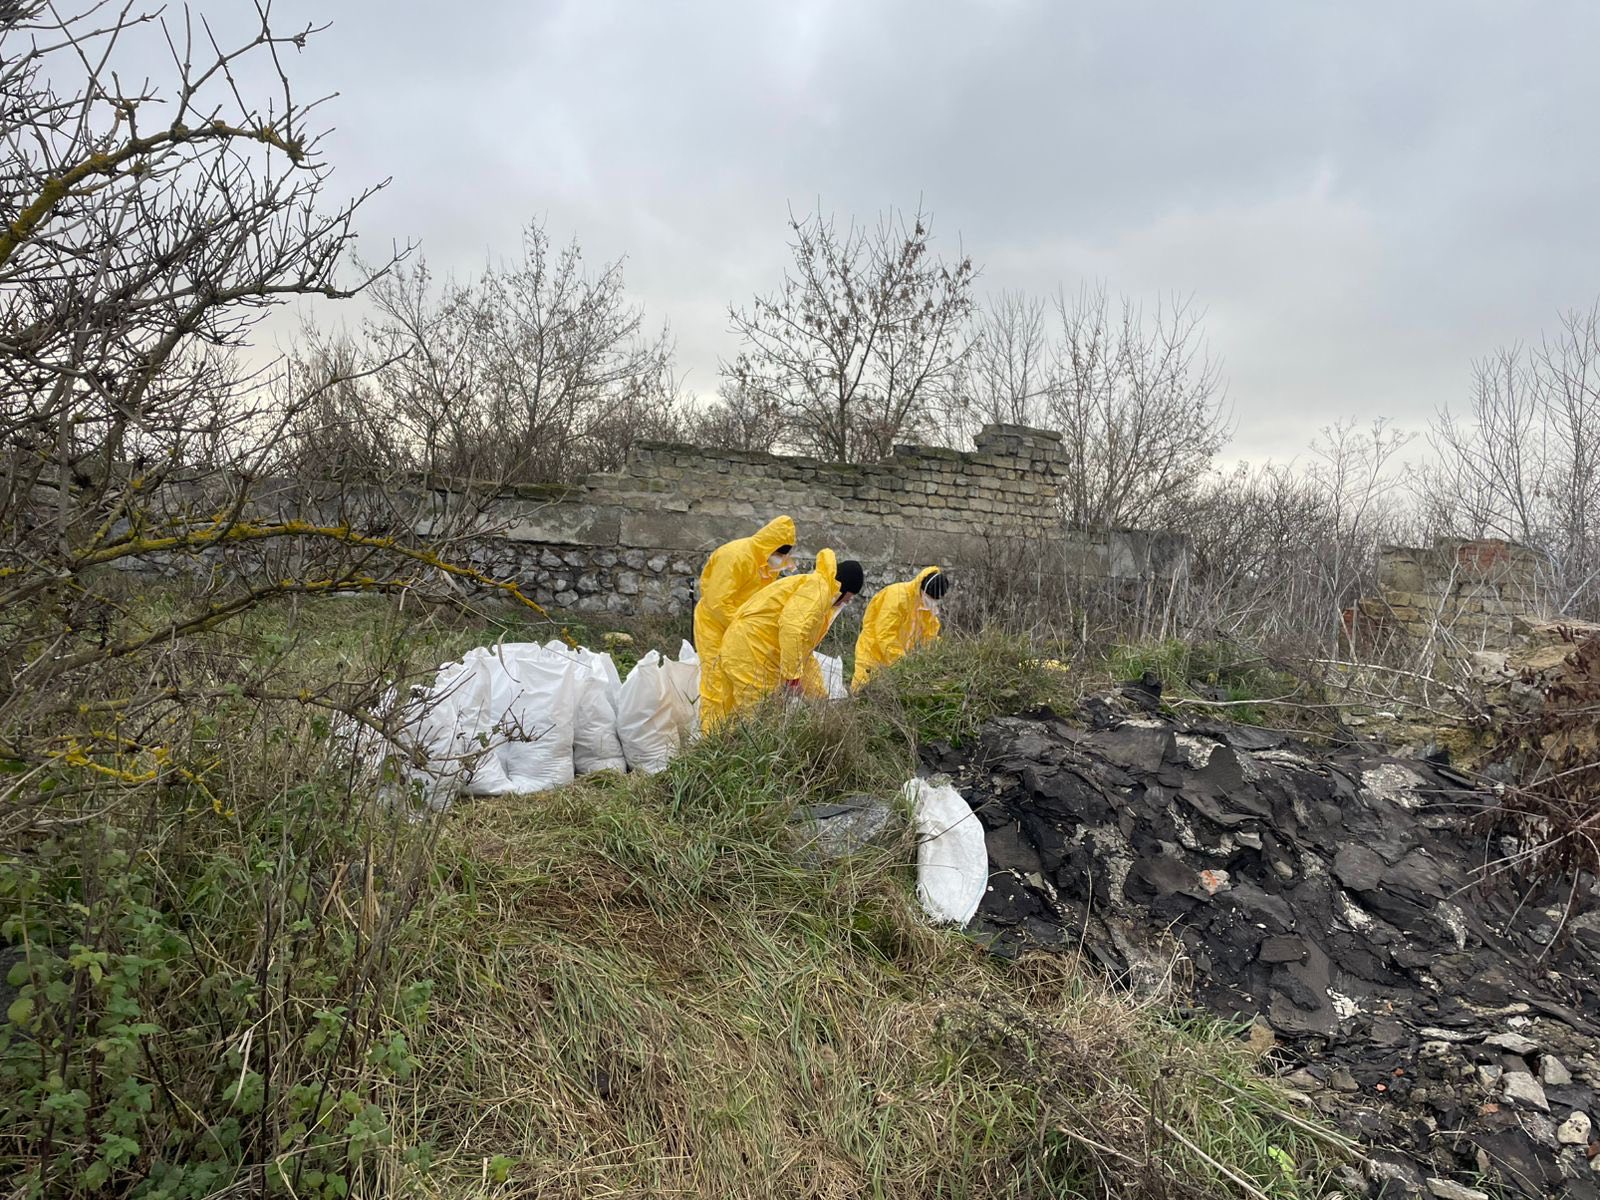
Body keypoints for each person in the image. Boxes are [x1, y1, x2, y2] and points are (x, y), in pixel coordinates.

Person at [701, 550, 864, 730]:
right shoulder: (819, 589)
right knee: (757, 718)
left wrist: (820, 699)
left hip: (746, 647)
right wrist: (793, 678)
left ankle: (715, 749)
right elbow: (793, 630)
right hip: (752, 651)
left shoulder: (816, 588)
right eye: (848, 598)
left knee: (730, 714)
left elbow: (803, 654)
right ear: (844, 588)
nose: (846, 602)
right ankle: (731, 752)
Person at [693, 515, 797, 691]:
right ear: (769, 546)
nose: (781, 558)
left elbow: (764, 598)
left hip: (742, 626)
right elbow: (718, 602)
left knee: (740, 677)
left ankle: (731, 719)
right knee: (717, 679)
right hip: (715, 624)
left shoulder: (768, 564)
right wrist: (744, 627)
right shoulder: (735, 556)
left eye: (784, 554)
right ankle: (712, 719)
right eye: (779, 553)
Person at [851, 566, 949, 690]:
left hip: (899, 660)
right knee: (863, 692)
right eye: (931, 598)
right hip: (873, 653)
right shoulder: (897, 597)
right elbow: (885, 634)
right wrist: (902, 662)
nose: (932, 602)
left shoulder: (926, 608)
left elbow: (929, 636)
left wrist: (940, 653)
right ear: (922, 589)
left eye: (936, 600)